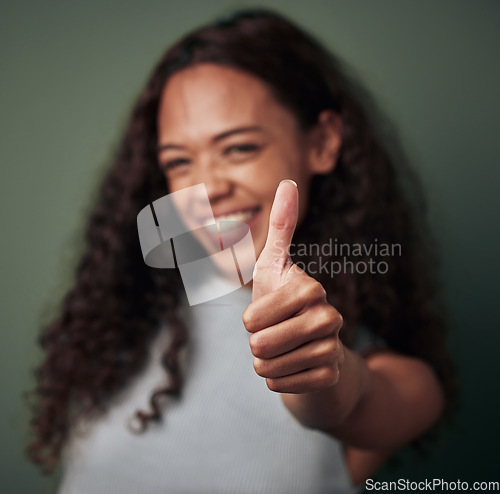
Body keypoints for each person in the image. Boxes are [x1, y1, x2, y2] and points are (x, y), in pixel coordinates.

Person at [26, 8, 455, 493]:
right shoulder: (120, 325)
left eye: (239, 148)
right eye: (179, 161)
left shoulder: (390, 371)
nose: (206, 189)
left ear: (323, 142)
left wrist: (315, 369)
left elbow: (354, 400)